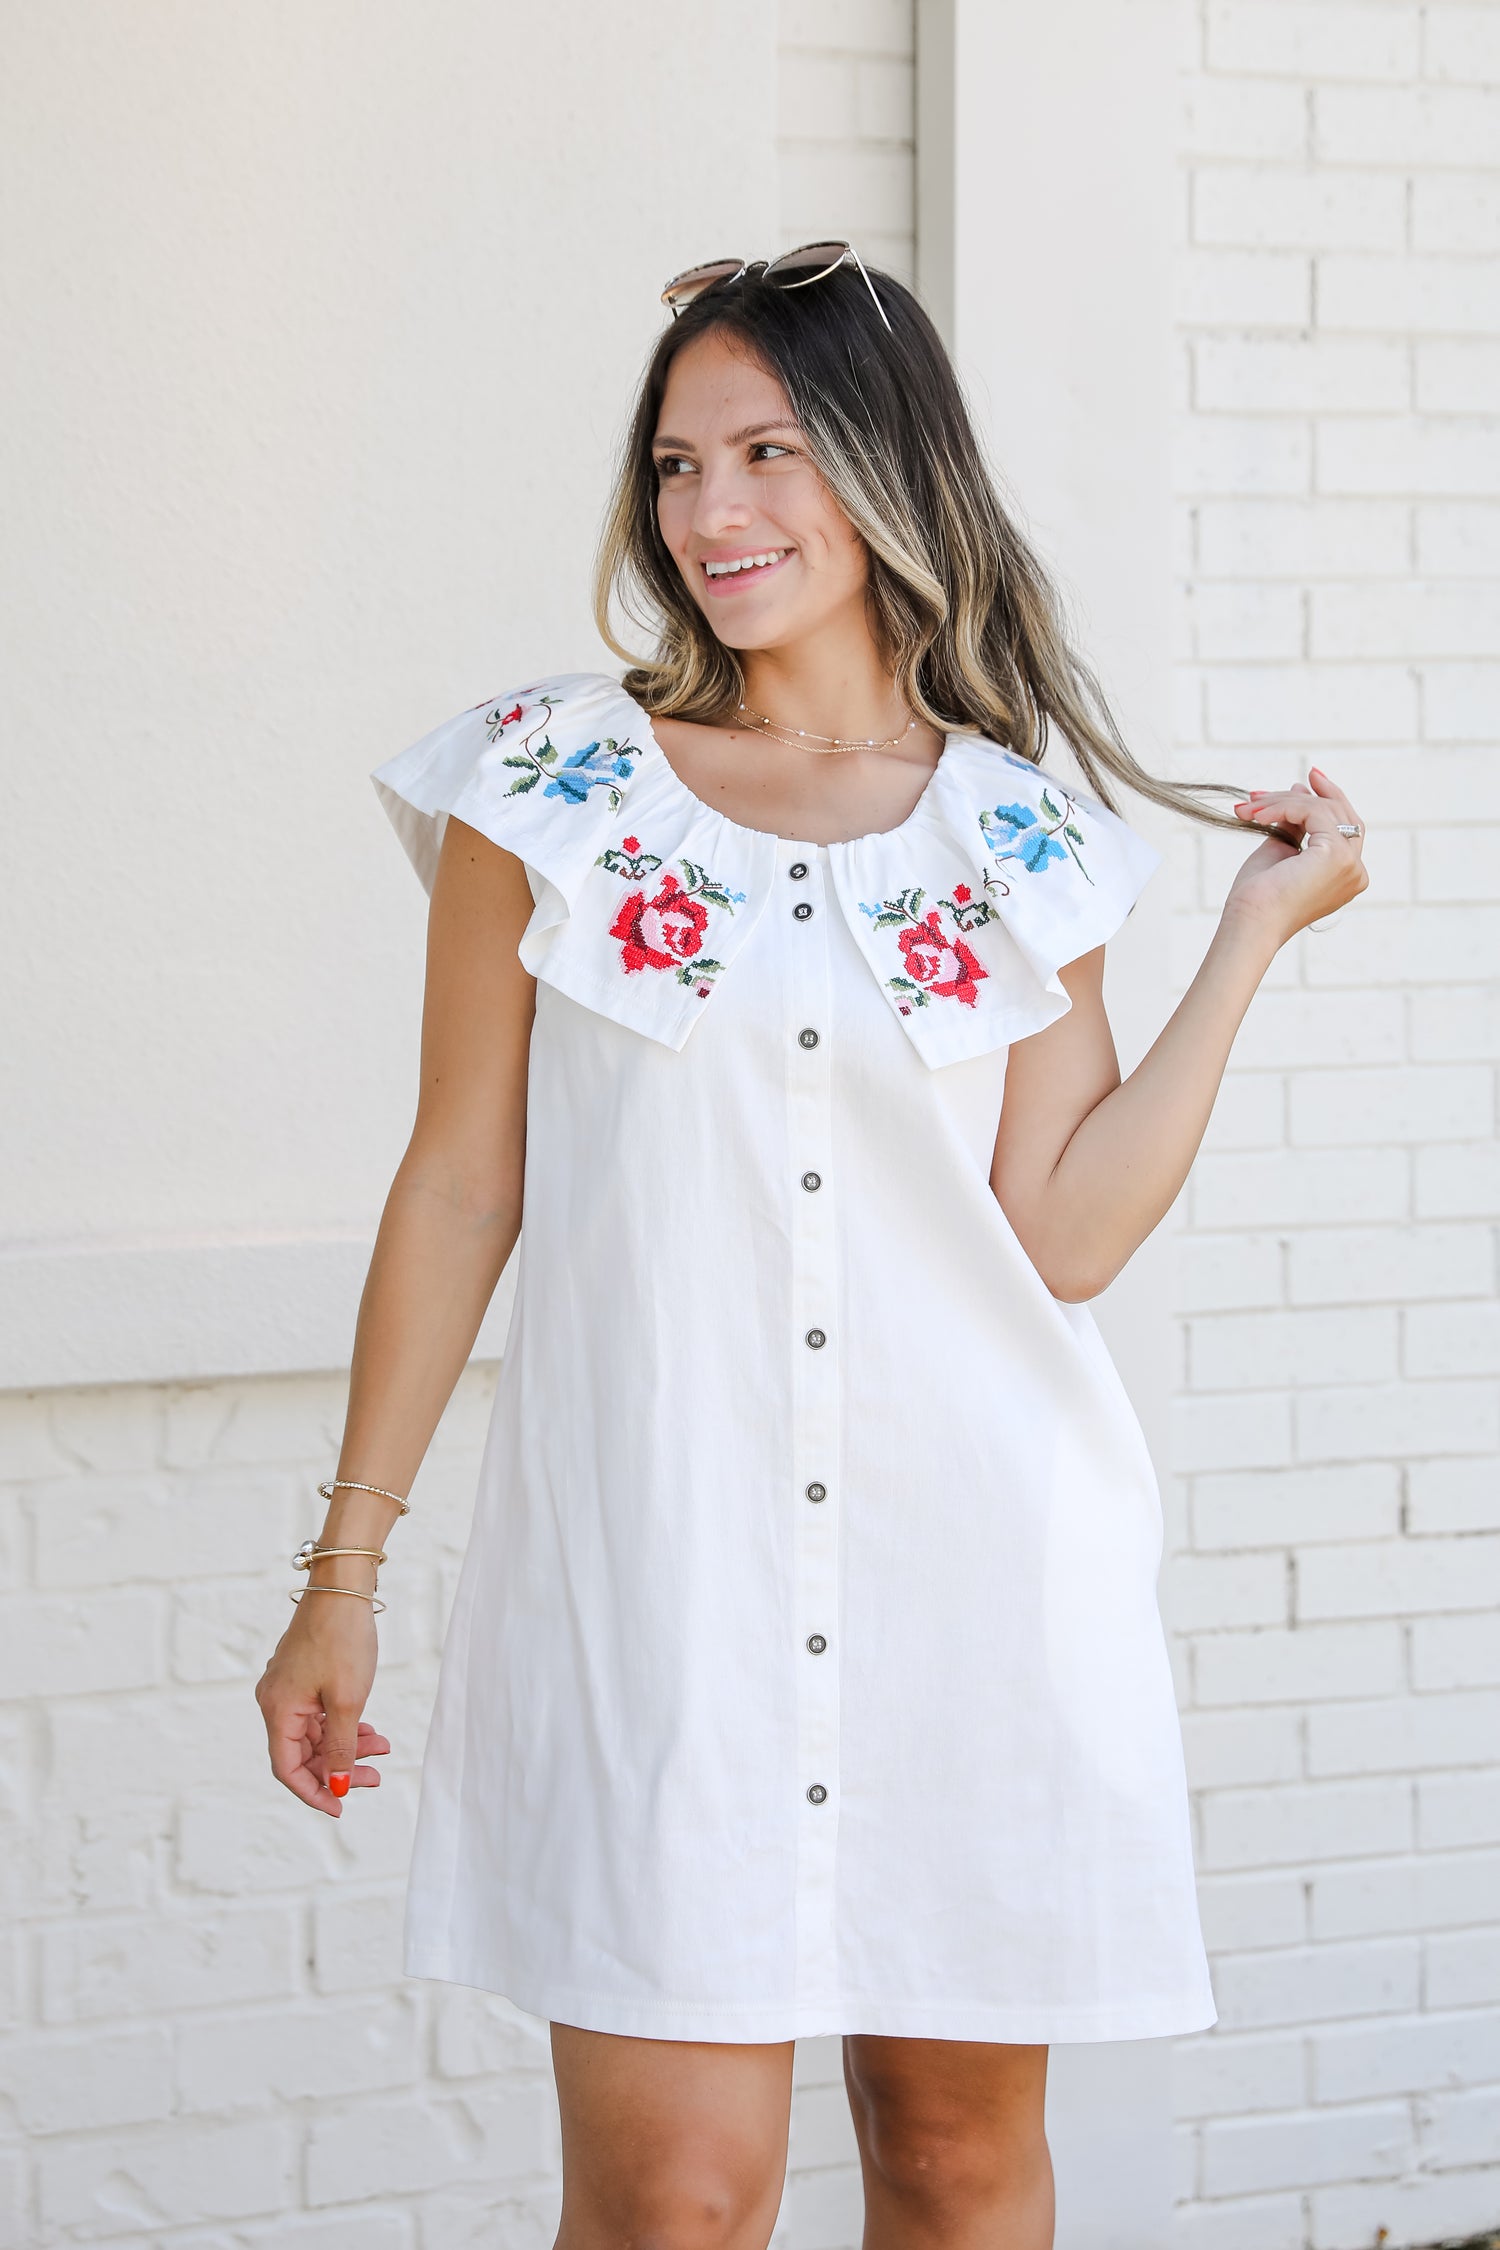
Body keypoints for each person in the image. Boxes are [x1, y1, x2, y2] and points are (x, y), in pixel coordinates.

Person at [255, 243, 1368, 2249]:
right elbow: (459, 1185)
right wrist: (344, 1568)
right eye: (678, 465)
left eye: (769, 452)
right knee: (680, 2201)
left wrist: (1249, 944)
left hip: (984, 1589)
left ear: (886, 474)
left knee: (954, 2173)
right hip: (660, 1596)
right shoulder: (549, 785)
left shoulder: (1029, 835)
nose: (714, 512)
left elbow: (1068, 1232)